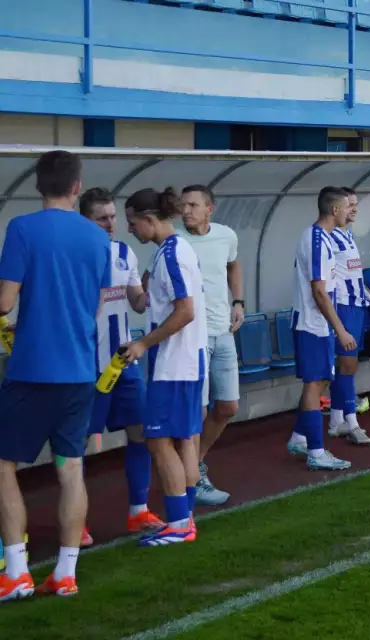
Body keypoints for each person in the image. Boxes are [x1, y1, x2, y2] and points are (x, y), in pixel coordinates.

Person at [0, 150, 110, 601]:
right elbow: (97, 302)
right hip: (80, 370)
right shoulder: (97, 237)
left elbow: (4, 302)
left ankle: (17, 570)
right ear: (77, 186)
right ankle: (65, 572)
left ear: (37, 184)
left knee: (4, 465)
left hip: (31, 371)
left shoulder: (23, 229)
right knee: (70, 469)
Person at [122, 188, 207, 547]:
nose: (130, 230)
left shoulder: (172, 253)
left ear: (150, 219)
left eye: (132, 223)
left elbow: (184, 311)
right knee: (182, 439)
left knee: (157, 440)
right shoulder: (170, 252)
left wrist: (143, 343)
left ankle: (178, 522)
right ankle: (184, 518)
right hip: (186, 360)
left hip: (175, 363)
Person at [79, 188, 165, 545]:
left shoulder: (124, 252)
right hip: (86, 367)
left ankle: (138, 511)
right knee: (77, 446)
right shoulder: (77, 256)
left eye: (114, 217)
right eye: (103, 218)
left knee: (140, 433)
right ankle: (77, 522)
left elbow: (139, 303)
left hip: (123, 361)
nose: (111, 224)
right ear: (85, 221)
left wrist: (152, 281)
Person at [175, 185, 243, 506]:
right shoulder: (175, 240)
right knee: (197, 411)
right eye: (183, 205)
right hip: (193, 338)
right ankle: (189, 479)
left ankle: (192, 464)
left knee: (228, 407)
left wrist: (239, 301)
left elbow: (234, 264)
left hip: (223, 332)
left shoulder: (226, 235)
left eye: (192, 205)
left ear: (209, 209)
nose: (186, 210)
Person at [285, 188, 354, 471]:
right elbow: (319, 291)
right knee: (314, 383)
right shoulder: (316, 240)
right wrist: (341, 329)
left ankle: (300, 437)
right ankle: (316, 450)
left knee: (320, 380)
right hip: (312, 324)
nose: (351, 211)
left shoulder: (323, 239)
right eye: (348, 207)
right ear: (334, 210)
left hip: (319, 324)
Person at [327, 187, 370, 445]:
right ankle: (352, 423)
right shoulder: (329, 237)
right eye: (349, 205)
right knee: (346, 365)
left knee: (348, 366)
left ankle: (335, 421)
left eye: (356, 204)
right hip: (342, 307)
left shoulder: (348, 234)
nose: (353, 209)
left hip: (357, 307)